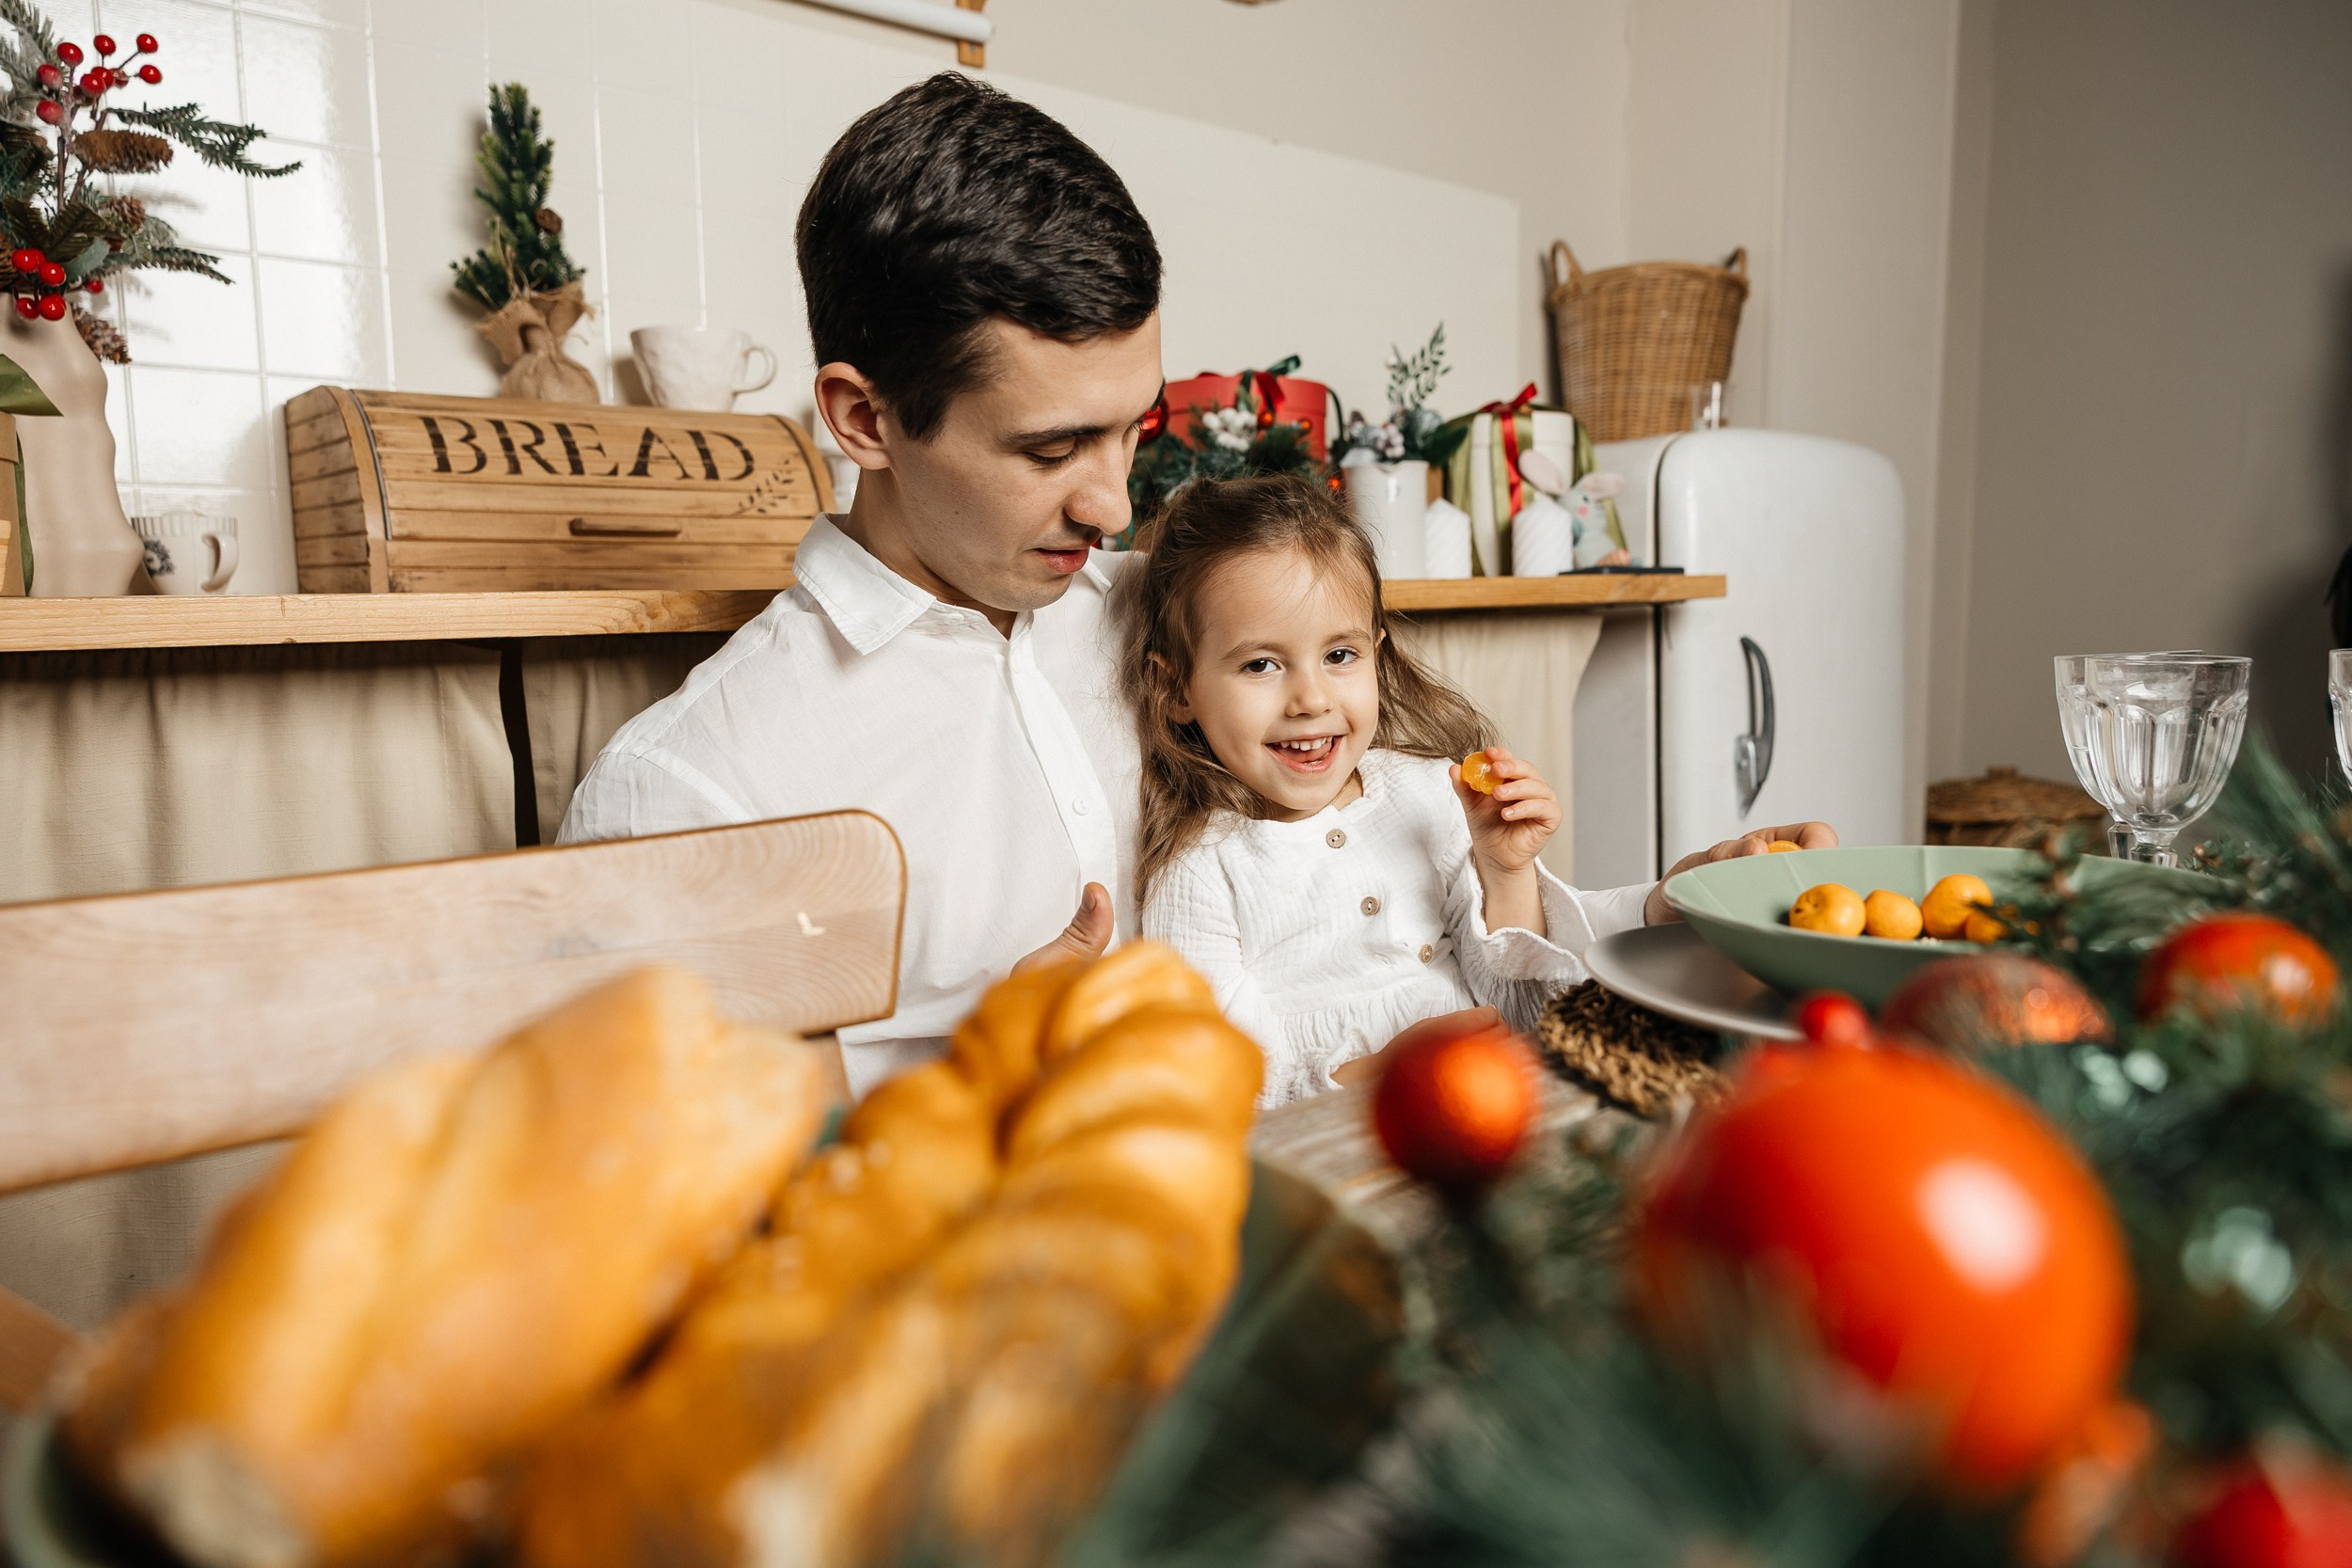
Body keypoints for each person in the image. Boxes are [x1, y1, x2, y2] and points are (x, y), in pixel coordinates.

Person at [559, 74, 1160, 1093]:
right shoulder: (689, 795)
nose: (1113, 507)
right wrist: (977, 1081)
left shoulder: (1185, 624)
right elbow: (659, 1198)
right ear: (864, 419)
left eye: (1133, 428)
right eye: (1054, 447)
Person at [1127, 475, 1836, 1104]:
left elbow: (1528, 998)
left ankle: (1705, 895)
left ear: (1376, 654)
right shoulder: (1200, 873)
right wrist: (1378, 1070)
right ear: (1175, 688)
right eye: (1259, 665)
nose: (1311, 697)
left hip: (1507, 1108)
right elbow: (1216, 1083)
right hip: (1345, 1151)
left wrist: (1508, 870)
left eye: (1339, 655)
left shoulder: (1427, 791)